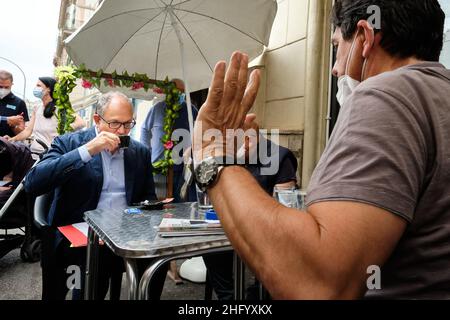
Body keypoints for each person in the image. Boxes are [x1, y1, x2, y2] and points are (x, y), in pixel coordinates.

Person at [192, 0, 450, 299]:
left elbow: (318, 284)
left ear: (364, 38)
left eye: (337, 45)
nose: (335, 68)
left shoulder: (384, 96)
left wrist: (213, 157)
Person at [24, 91, 168, 300]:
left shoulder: (139, 152)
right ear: (97, 120)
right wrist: (89, 150)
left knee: (158, 260)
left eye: (128, 124)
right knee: (89, 277)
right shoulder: (69, 143)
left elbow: (147, 198)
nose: (122, 131)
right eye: (115, 124)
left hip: (121, 235)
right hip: (75, 234)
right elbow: (33, 183)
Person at [203, 123, 298, 300]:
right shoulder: (229, 157)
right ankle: (228, 298)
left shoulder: (280, 157)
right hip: (229, 228)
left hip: (267, 231)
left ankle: (256, 296)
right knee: (209, 249)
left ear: (247, 141)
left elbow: (286, 206)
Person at [140, 78, 198, 284]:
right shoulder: (156, 109)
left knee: (178, 212)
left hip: (182, 170)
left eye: (182, 91)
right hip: (158, 169)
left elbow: (199, 132)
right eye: (175, 91)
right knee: (157, 213)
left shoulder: (191, 110)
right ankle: (161, 259)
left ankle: (173, 259)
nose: (178, 95)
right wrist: (146, 154)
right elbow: (145, 132)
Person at [7, 77, 85, 158]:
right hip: (34, 155)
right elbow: (28, 131)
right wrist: (12, 139)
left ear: (48, 89)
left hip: (52, 156)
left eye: (39, 85)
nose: (36, 88)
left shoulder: (61, 108)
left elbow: (81, 123)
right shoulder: (36, 108)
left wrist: (63, 129)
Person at [0, 70, 29, 138]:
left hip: (8, 146)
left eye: (6, 87)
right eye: (0, 87)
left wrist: (13, 125)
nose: (3, 90)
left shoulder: (19, 103)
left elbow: (21, 132)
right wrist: (6, 119)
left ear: (12, 84)